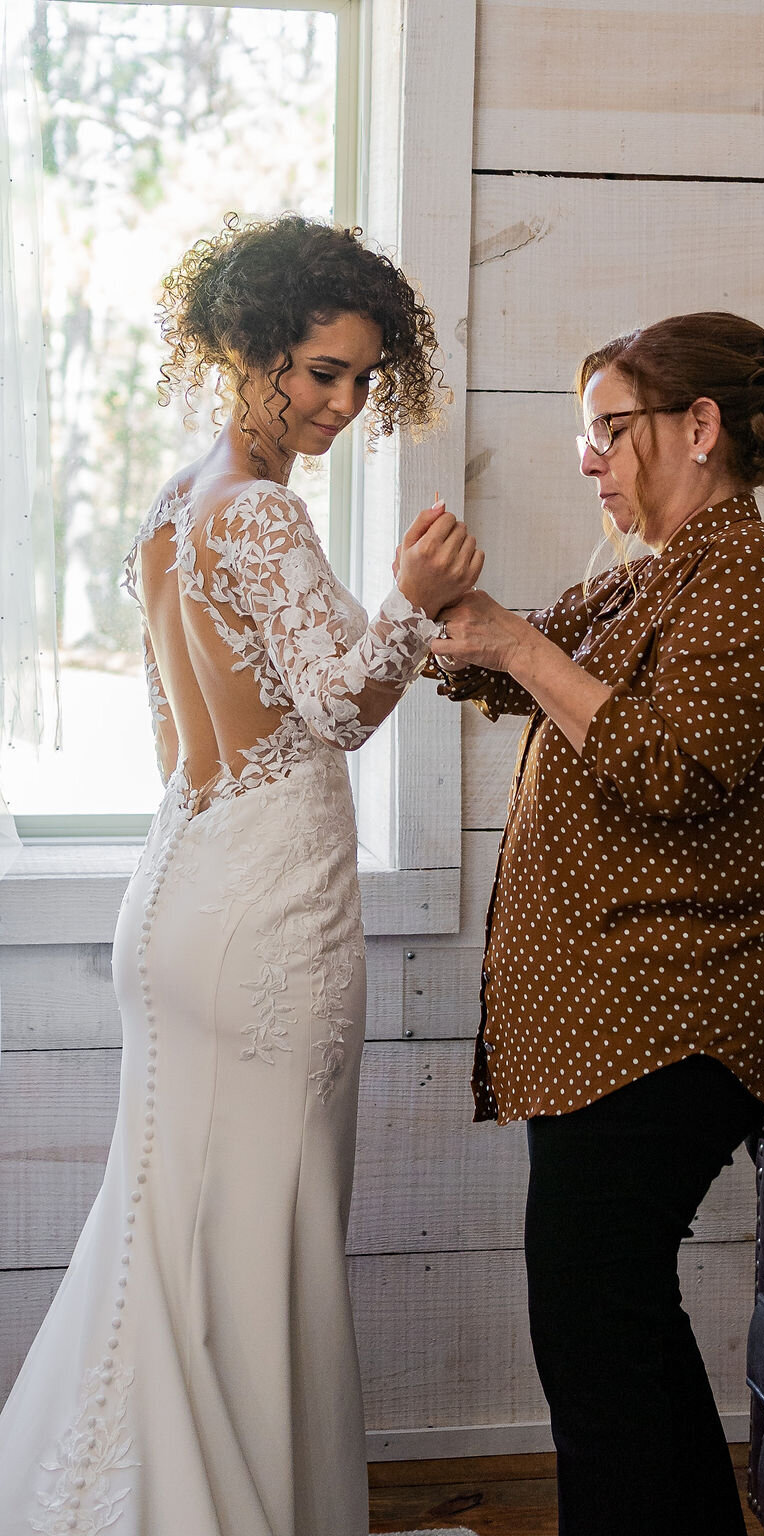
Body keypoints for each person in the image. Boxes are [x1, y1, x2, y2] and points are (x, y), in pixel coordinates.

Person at [0, 214, 481, 1536]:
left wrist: (410, 636)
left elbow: (185, 740)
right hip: (266, 919)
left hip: (180, 890)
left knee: (173, 1229)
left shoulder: (175, 506)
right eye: (319, 371)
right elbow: (333, 709)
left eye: (363, 378)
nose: (340, 401)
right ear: (249, 352)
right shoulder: (258, 511)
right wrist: (413, 597)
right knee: (257, 1234)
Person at [428, 312, 764, 1536]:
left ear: (696, 427)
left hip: (678, 1019)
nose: (589, 460)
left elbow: (672, 767)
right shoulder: (656, 575)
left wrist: (507, 637)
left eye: (609, 429)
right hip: (616, 1024)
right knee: (617, 1322)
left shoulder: (755, 572)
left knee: (594, 1335)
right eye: (584, 434)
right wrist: (461, 618)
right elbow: (509, 663)